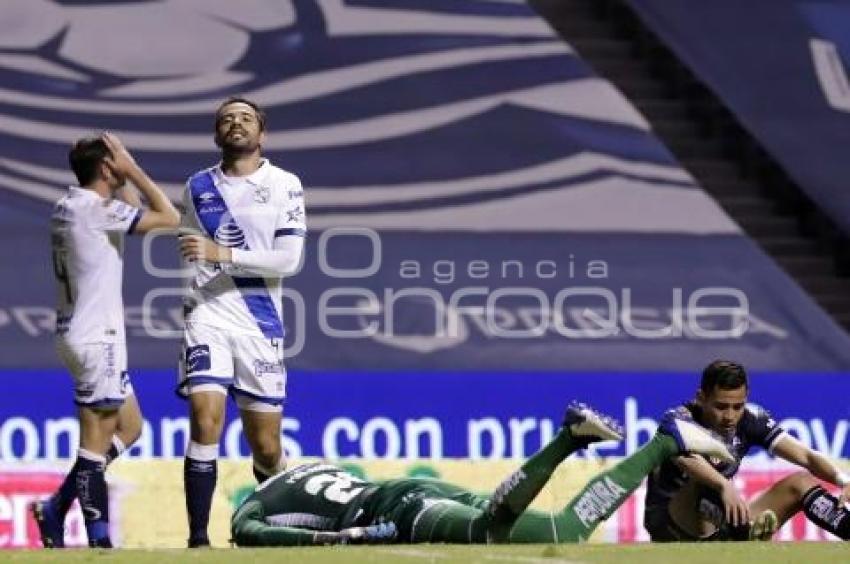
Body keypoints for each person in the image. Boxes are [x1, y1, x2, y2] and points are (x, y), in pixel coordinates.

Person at [230, 403, 734, 546]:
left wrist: (336, 540)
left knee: (535, 531)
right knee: (564, 529)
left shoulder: (257, 502)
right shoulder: (311, 465)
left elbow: (251, 533)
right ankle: (586, 439)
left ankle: (658, 442)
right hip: (413, 492)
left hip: (405, 513)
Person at [31, 133, 180, 548]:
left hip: (77, 332)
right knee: (93, 447)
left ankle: (57, 506)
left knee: (130, 427)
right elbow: (169, 218)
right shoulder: (97, 212)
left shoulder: (70, 205)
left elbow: (132, 214)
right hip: (99, 338)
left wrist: (119, 175)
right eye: (116, 164)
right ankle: (100, 544)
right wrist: (133, 171)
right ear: (106, 169)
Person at [178, 96, 306, 548]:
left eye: (246, 118)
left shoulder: (285, 184)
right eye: (227, 119)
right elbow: (187, 243)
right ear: (217, 134)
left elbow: (289, 260)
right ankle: (198, 540)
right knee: (204, 417)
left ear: (261, 133)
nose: (236, 123)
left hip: (260, 322)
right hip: (208, 315)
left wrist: (224, 254)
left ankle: (268, 530)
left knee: (268, 449)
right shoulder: (197, 187)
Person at [644, 359, 850, 542]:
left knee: (801, 483)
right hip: (673, 526)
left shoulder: (751, 419)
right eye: (721, 406)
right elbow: (687, 461)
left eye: (737, 406)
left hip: (722, 523)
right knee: (703, 481)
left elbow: (806, 456)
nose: (730, 416)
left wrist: (844, 481)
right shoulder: (677, 420)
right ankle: (745, 533)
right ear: (701, 397)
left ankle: (745, 533)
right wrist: (724, 485)